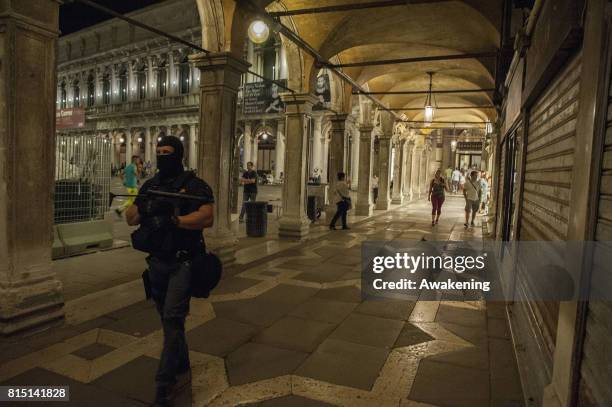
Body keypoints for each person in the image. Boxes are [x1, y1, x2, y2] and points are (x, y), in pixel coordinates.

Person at [125, 135, 214, 407]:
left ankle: (164, 383)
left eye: (168, 151)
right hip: (156, 264)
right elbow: (131, 218)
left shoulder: (195, 185)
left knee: (173, 318)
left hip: (183, 262)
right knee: (167, 318)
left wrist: (176, 218)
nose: (163, 156)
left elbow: (207, 217)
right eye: (159, 151)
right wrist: (147, 205)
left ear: (179, 153)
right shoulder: (151, 184)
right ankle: (182, 360)